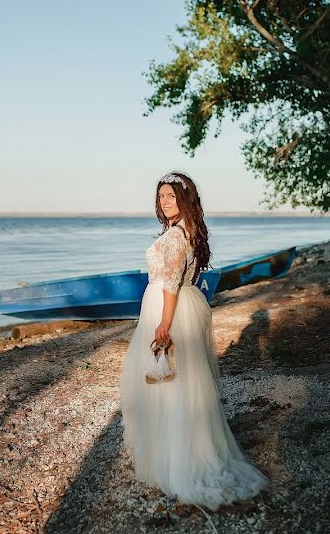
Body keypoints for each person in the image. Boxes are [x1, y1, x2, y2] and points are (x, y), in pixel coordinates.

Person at [120, 171, 270, 511]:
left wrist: (163, 325)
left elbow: (170, 283)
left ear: (185, 199)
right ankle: (184, 452)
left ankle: (178, 461)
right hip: (181, 304)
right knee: (182, 385)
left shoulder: (175, 237)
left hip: (168, 307)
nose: (164, 202)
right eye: (160, 197)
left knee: (169, 386)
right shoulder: (187, 232)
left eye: (170, 196)